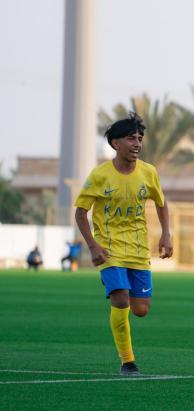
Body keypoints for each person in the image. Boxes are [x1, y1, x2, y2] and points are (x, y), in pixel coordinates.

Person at [74, 112, 173, 375]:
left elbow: (161, 203)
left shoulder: (149, 172)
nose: (137, 143)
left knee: (140, 310)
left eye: (139, 138)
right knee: (120, 300)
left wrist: (166, 234)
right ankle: (128, 361)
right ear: (116, 143)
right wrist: (93, 246)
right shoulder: (100, 175)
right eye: (131, 138)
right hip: (109, 249)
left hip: (138, 248)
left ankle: (120, 288)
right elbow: (80, 212)